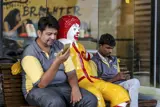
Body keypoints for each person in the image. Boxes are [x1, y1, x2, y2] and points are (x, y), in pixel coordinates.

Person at [20, 15, 97, 107]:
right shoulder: (30, 53)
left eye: (55, 34)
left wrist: (75, 88)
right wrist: (57, 62)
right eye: (49, 34)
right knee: (56, 102)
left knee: (90, 99)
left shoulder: (59, 46)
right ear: (39, 33)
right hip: (36, 90)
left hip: (62, 86)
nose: (53, 37)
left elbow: (71, 72)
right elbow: (41, 84)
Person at [58, 15, 130, 107]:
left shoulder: (80, 46)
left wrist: (89, 55)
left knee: (119, 92)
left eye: (78, 28)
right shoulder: (60, 47)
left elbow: (87, 55)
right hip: (77, 82)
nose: (78, 31)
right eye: (74, 28)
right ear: (65, 28)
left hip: (91, 78)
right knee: (97, 97)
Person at [92, 33, 140, 107]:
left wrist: (124, 77)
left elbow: (118, 75)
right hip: (107, 88)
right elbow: (95, 84)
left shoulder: (114, 59)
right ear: (100, 46)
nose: (110, 51)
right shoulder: (94, 61)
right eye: (107, 48)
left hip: (119, 85)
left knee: (135, 82)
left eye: (112, 48)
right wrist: (115, 78)